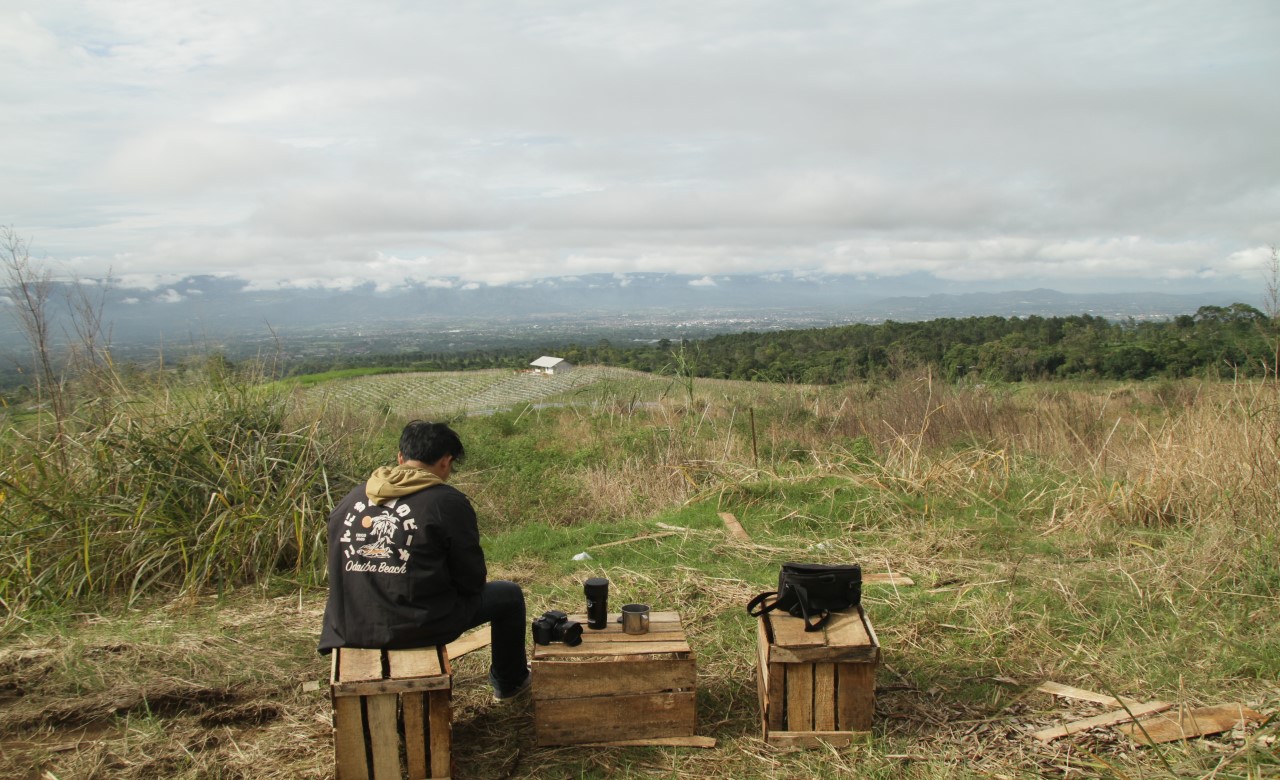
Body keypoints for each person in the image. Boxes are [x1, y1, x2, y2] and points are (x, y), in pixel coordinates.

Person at [318, 420, 530, 700]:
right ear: (445, 461)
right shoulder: (446, 502)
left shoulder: (351, 499)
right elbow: (471, 579)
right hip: (414, 626)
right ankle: (510, 683)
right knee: (509, 596)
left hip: (348, 626)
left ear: (400, 458)